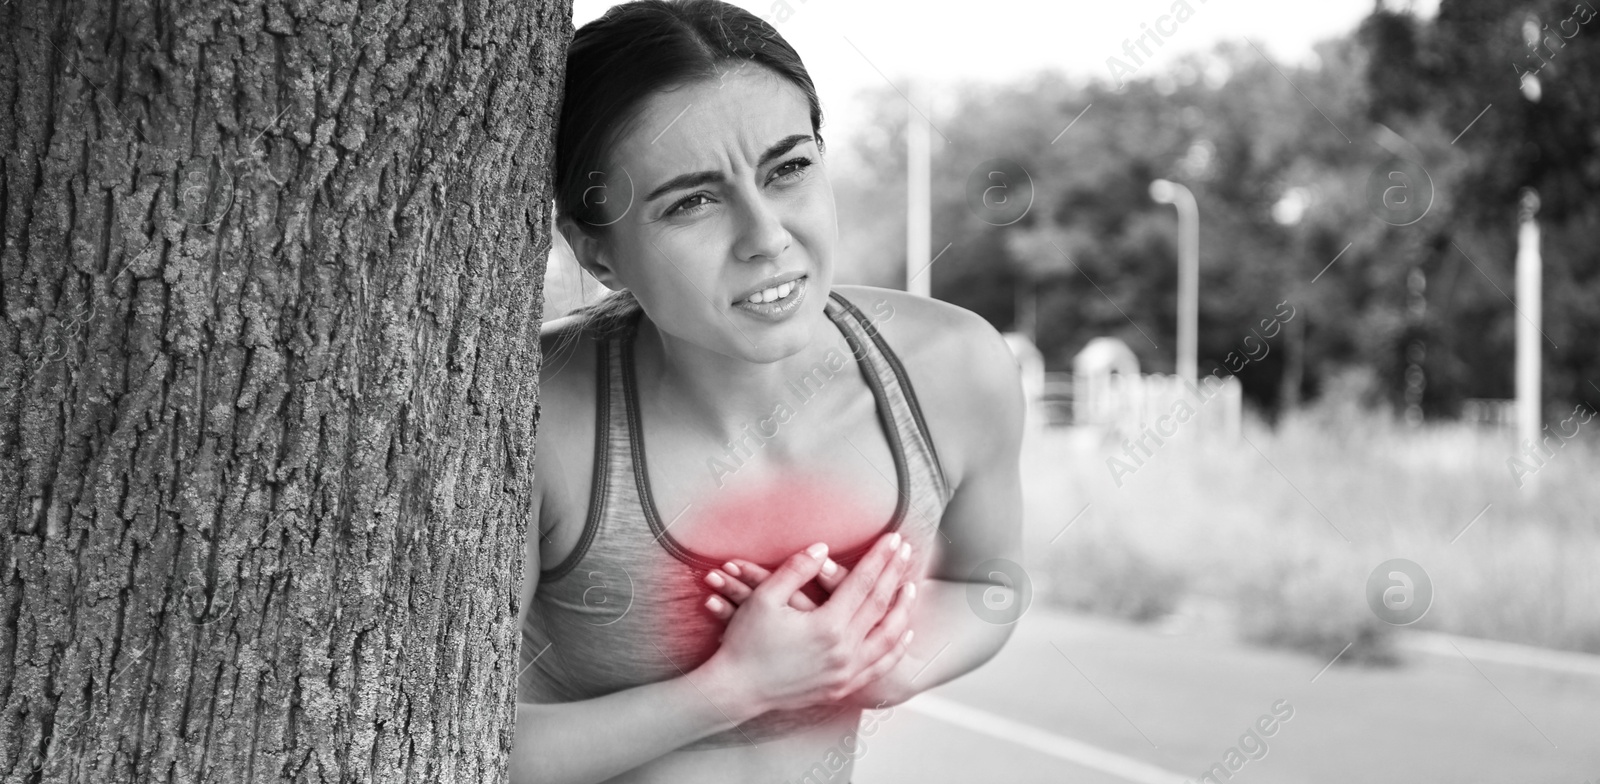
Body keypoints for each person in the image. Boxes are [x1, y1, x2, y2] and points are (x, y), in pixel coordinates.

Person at [510, 2, 1025, 782]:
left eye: (788, 170)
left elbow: (992, 586)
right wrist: (732, 689)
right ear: (600, 253)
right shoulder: (538, 419)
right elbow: (452, 742)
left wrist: (884, 658)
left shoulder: (951, 368)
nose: (767, 237)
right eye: (691, 201)